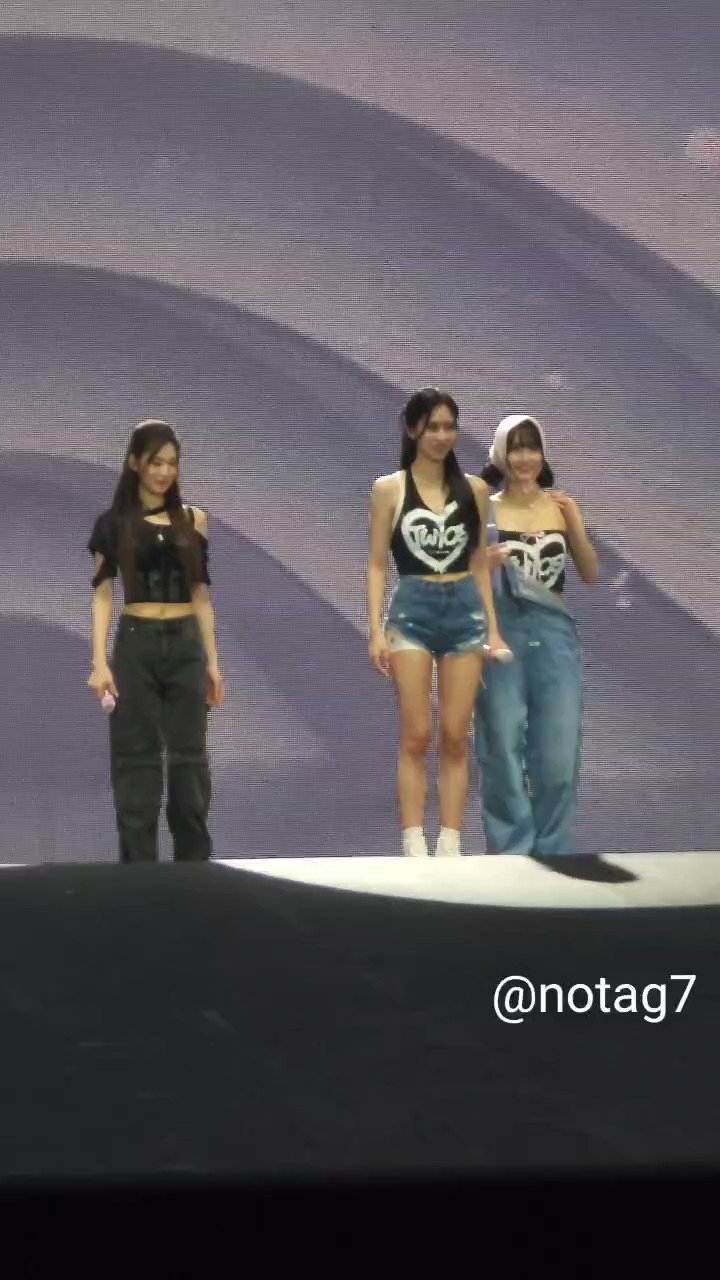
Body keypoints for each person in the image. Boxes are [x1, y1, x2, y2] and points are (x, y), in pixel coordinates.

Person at [367, 387, 509, 858]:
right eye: (433, 427)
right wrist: (375, 628)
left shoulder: (476, 491)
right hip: (412, 613)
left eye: (450, 427)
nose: (442, 436)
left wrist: (492, 629)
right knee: (417, 734)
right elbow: (377, 564)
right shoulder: (389, 489)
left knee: (454, 734)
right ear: (413, 430)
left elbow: (479, 565)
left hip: (464, 614)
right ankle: (413, 841)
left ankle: (451, 841)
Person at [87, 419, 224, 862]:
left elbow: (201, 595)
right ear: (135, 463)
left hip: (185, 642)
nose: (165, 472)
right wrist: (99, 663)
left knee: (189, 756)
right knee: (135, 756)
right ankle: (139, 872)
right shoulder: (113, 524)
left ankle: (194, 870)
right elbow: (103, 595)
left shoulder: (194, 521)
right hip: (137, 641)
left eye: (172, 463)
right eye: (155, 462)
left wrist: (212, 661)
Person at [475, 414, 598, 856]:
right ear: (500, 454)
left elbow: (590, 574)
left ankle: (553, 847)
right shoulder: (483, 507)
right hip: (501, 631)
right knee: (502, 744)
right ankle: (511, 849)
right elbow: (460, 575)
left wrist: (575, 523)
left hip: (554, 635)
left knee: (560, 751)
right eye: (515, 448)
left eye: (532, 448)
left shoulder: (559, 507)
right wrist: (482, 564)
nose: (525, 458)